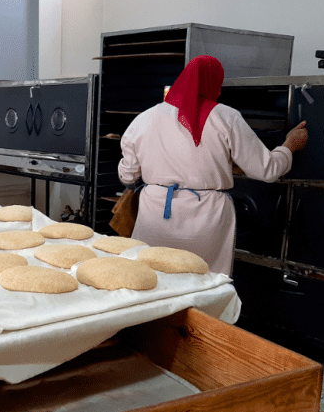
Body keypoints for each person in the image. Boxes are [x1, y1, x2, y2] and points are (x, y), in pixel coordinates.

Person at [117, 55, 308, 275]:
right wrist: (289, 145)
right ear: (216, 83)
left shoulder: (144, 119)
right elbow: (267, 170)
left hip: (155, 217)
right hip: (205, 220)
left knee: (151, 277)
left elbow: (128, 176)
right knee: (202, 282)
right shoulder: (226, 117)